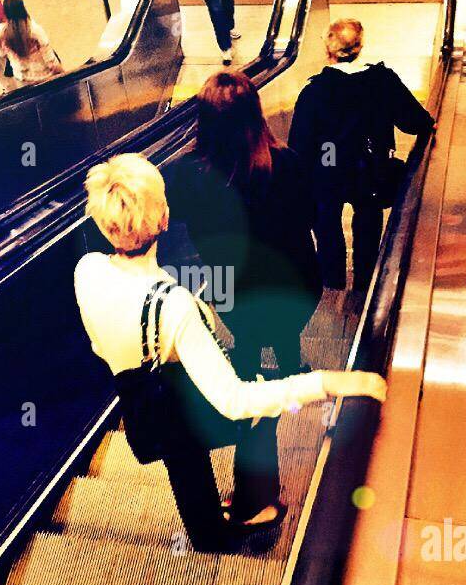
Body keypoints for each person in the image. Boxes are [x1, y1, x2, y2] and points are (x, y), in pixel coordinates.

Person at [74, 153, 385, 552]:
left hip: (141, 405)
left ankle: (207, 534)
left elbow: (100, 345)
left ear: (105, 221)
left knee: (181, 454)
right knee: (260, 412)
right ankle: (254, 507)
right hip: (182, 402)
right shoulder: (174, 305)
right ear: (163, 218)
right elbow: (236, 401)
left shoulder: (88, 270)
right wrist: (327, 381)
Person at [166, 71, 321, 381]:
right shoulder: (287, 162)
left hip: (230, 286)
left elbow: (176, 217)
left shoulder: (189, 171)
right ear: (255, 113)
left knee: (246, 336)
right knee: (286, 332)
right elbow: (312, 216)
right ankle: (291, 374)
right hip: (293, 282)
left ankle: (245, 383)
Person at [289, 19, 434, 291]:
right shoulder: (383, 81)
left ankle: (332, 282)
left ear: (328, 50)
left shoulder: (314, 91)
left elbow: (300, 146)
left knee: (327, 226)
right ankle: (364, 283)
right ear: (360, 47)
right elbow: (415, 122)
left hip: (327, 169)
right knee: (368, 224)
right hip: (371, 168)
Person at [0, 0, 63, 92]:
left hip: (23, 81)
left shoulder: (0, 33)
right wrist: (64, 74)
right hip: (45, 78)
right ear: (22, 8)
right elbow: (51, 63)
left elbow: (1, 54)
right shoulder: (34, 30)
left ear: (5, 12)